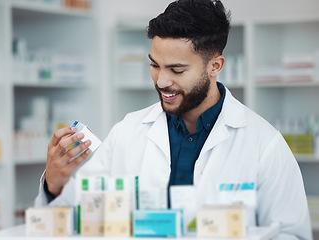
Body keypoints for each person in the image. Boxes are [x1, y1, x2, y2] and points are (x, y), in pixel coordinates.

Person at [35, 0, 312, 239]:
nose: (162, 81)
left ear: (215, 66)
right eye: (155, 65)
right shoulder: (127, 132)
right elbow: (75, 221)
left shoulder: (264, 144)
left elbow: (291, 234)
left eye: (176, 70)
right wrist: (55, 185)